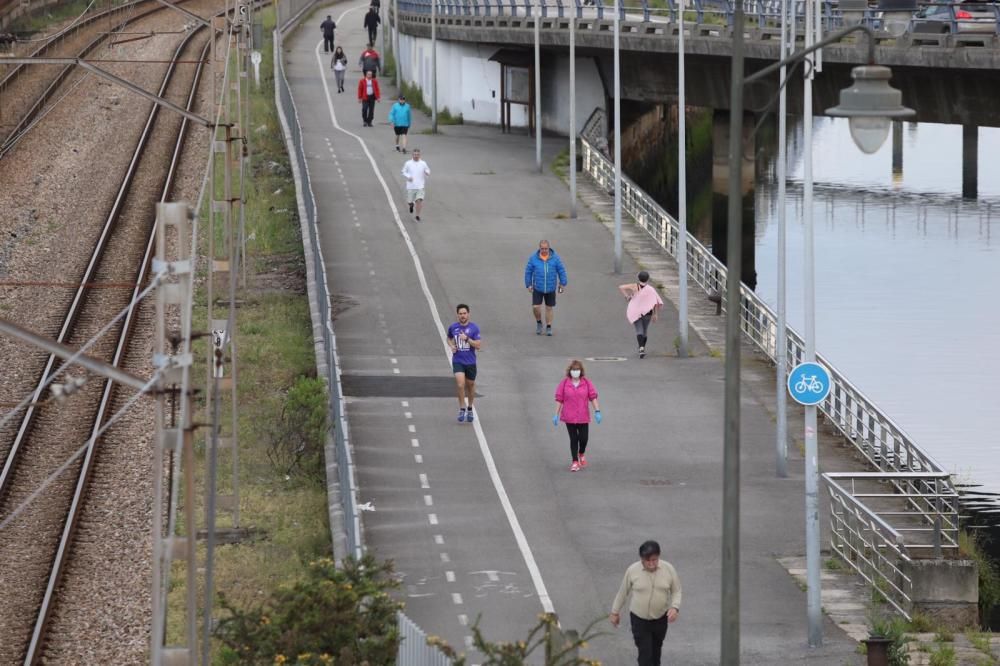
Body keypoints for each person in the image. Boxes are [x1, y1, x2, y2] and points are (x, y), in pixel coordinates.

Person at [610, 540, 682, 666]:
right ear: (642, 559)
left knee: (655, 653)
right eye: (648, 560)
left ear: (658, 557)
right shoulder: (632, 570)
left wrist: (675, 608)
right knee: (645, 654)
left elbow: (677, 591)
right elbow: (623, 592)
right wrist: (614, 612)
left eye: (654, 560)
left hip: (660, 619)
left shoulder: (668, 569)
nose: (651, 564)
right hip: (639, 620)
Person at [553, 359, 601, 472]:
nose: (576, 371)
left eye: (578, 369)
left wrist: (597, 411)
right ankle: (575, 461)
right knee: (573, 439)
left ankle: (581, 453)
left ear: (581, 371)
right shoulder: (564, 383)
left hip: (583, 416)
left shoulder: (586, 383)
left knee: (584, 438)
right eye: (574, 370)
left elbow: (593, 397)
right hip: (569, 417)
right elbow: (559, 399)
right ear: (570, 371)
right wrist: (556, 414)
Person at [524, 240, 568, 336]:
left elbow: (561, 270)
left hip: (550, 288)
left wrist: (562, 283)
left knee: (549, 308)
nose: (544, 250)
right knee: (536, 307)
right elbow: (528, 272)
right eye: (542, 248)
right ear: (539, 248)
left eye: (546, 248)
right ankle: (539, 322)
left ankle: (548, 327)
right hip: (537, 287)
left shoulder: (555, 258)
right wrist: (529, 284)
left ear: (549, 248)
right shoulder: (533, 258)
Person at [447, 304, 481, 423]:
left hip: (470, 362)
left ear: (468, 314)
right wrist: (452, 346)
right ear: (457, 315)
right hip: (458, 361)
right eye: (460, 314)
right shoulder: (453, 327)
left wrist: (466, 339)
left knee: (470, 385)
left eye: (464, 313)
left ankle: (470, 408)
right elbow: (448, 338)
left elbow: (478, 345)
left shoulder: (474, 328)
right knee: (460, 384)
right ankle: (462, 408)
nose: (462, 316)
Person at [618, 270, 663, 359]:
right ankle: (642, 348)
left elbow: (621, 287)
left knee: (639, 330)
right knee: (645, 331)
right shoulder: (651, 289)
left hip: (636, 311)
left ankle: (641, 348)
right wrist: (655, 314)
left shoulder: (635, 286)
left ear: (638, 278)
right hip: (648, 313)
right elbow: (654, 302)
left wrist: (627, 296)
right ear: (648, 279)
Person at [401, 148, 430, 221]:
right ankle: (411, 205)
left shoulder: (423, 163)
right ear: (412, 155)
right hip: (411, 186)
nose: (416, 156)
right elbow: (403, 171)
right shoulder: (408, 163)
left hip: (420, 186)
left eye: (417, 154)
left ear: (420, 155)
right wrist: (408, 176)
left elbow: (427, 170)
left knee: (419, 201)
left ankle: (417, 215)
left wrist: (427, 172)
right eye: (414, 154)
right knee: (410, 201)